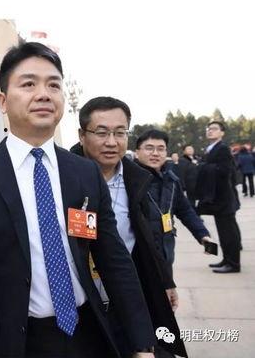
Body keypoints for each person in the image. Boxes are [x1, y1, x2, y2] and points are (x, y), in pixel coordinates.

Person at [0, 43, 156, 358]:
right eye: (29, 84)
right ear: (3, 101)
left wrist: (143, 344)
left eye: (53, 85)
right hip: (19, 342)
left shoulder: (84, 172)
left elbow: (114, 260)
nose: (44, 94)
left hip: (90, 334)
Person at [71, 96, 187, 358]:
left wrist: (165, 280)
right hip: (81, 303)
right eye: (102, 132)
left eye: (120, 132)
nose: (112, 142)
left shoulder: (137, 181)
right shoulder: (64, 178)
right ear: (82, 135)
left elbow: (148, 238)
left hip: (125, 297)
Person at [134, 130, 211, 280]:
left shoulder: (171, 179)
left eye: (161, 149)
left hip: (166, 253)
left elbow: (185, 210)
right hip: (138, 259)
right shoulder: (128, 180)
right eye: (149, 148)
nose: (155, 153)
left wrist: (203, 235)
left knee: (166, 292)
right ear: (137, 152)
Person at [196, 121, 241, 273]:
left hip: (224, 199)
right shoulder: (212, 149)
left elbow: (225, 171)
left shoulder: (222, 148)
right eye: (208, 129)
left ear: (222, 133)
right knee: (223, 233)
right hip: (218, 199)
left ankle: (233, 264)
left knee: (229, 233)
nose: (210, 131)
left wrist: (202, 167)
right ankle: (226, 260)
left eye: (214, 129)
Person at [177, 145, 200, 210]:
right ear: (184, 151)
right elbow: (181, 174)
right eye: (188, 149)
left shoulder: (196, 159)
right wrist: (183, 187)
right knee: (189, 203)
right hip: (188, 186)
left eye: (191, 148)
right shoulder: (182, 160)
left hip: (196, 186)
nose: (190, 150)